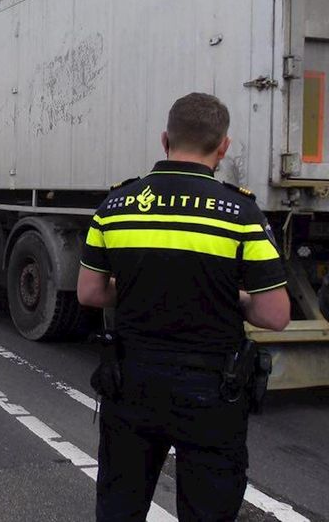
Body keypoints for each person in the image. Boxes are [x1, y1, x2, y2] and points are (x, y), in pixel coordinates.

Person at [77, 92, 291, 521]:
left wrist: (140, 287)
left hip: (131, 383)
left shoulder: (115, 207)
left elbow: (90, 294)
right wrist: (229, 294)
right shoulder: (242, 213)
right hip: (212, 391)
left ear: (165, 139)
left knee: (120, 506)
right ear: (223, 146)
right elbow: (274, 315)